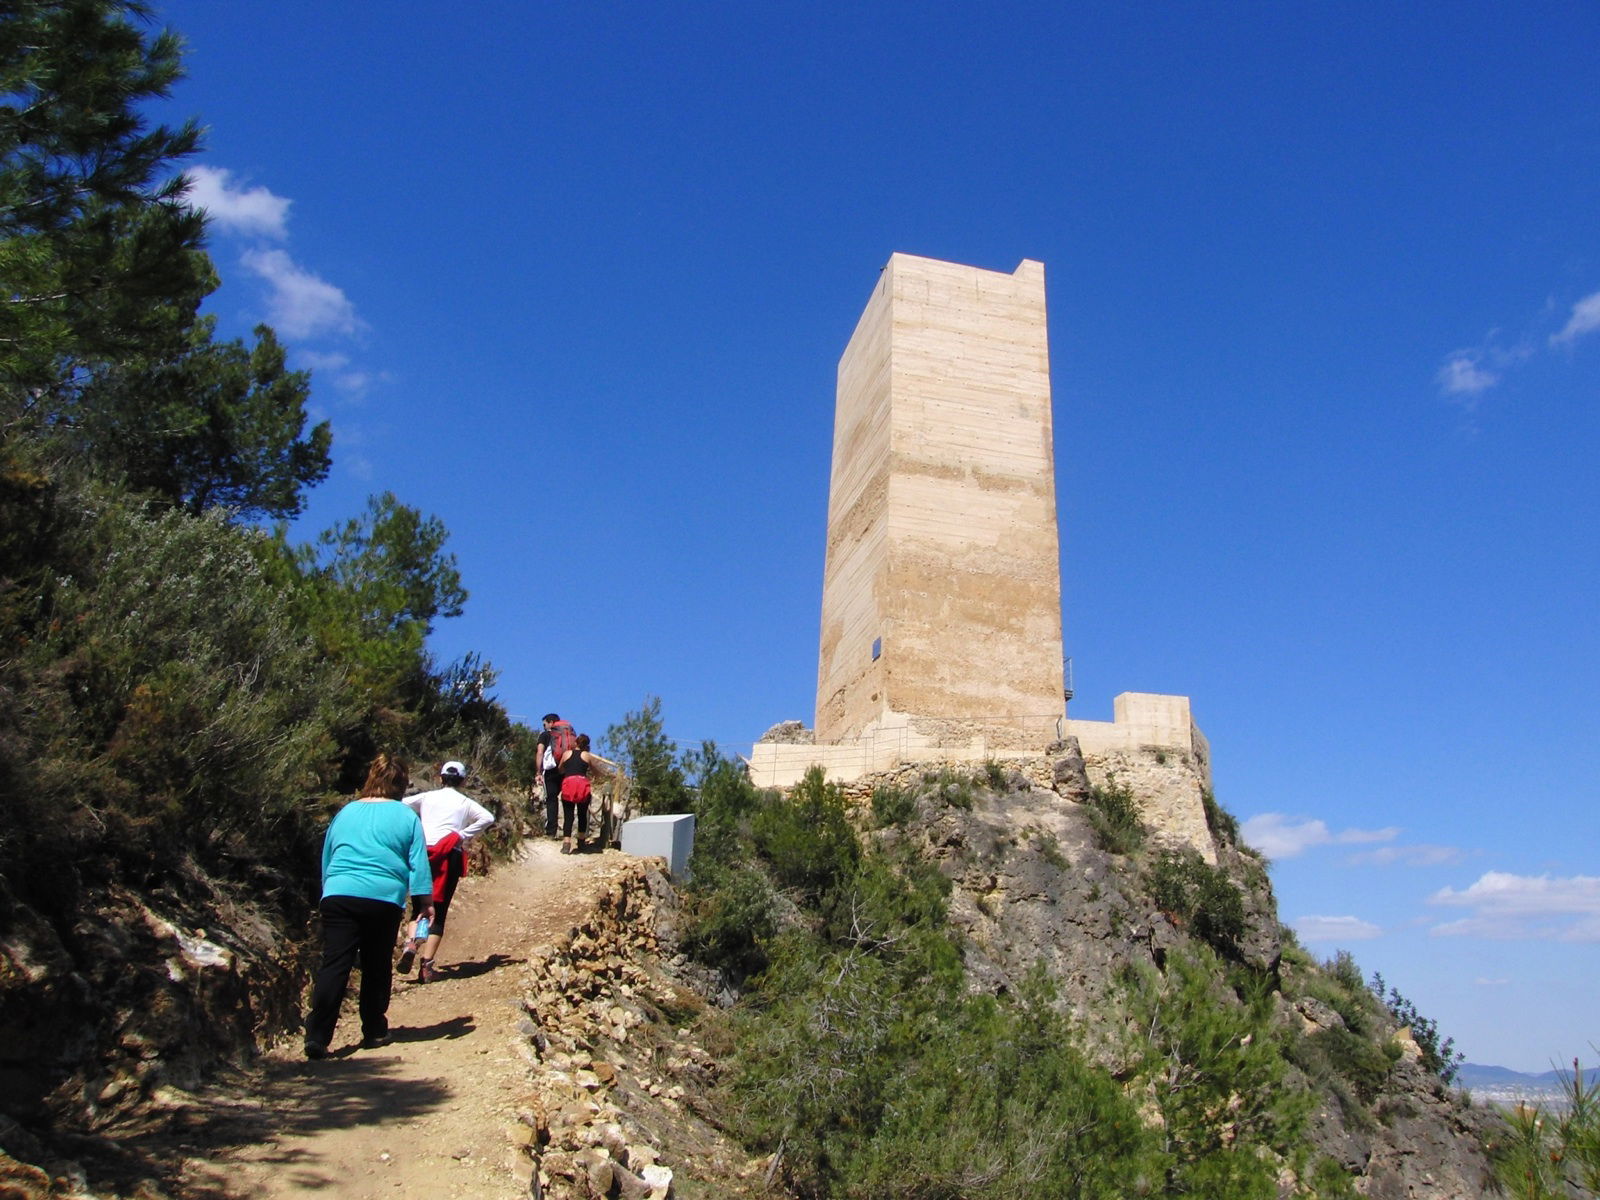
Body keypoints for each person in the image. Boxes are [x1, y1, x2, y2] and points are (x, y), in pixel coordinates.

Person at [304, 753, 433, 1060]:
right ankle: (374, 1029)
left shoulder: (346, 812)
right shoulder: (405, 817)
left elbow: (328, 854)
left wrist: (329, 890)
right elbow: (418, 864)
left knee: (335, 964)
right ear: (401, 783)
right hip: (383, 896)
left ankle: (318, 1036)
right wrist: (424, 904)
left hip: (339, 892)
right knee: (376, 964)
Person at [401, 759, 495, 982]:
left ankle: (411, 943)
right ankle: (427, 965)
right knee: (439, 912)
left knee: (418, 907)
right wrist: (462, 835)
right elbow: (488, 818)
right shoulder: (465, 802)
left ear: (440, 778)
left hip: (423, 853)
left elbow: (402, 804)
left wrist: (415, 828)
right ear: (462, 781)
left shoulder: (426, 797)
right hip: (449, 855)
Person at [557, 733, 614, 854]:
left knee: (569, 815)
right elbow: (596, 772)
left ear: (576, 743)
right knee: (582, 814)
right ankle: (581, 842)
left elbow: (560, 768)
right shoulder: (587, 756)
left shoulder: (566, 754)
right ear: (586, 745)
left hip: (569, 784)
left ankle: (566, 843)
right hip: (582, 785)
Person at [536, 714, 563, 838]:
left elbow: (540, 752)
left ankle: (551, 831)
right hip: (564, 770)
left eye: (545, 724)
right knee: (567, 800)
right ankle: (568, 832)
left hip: (550, 771)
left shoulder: (545, 735)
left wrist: (538, 772)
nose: (544, 726)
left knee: (552, 799)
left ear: (551, 723)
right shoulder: (565, 735)